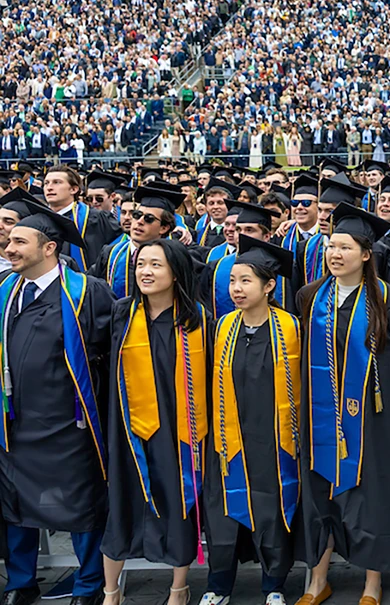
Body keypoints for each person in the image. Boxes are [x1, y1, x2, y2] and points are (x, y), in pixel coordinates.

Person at [295, 203, 390, 605]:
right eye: (331, 246)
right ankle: (316, 580)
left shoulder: (388, 300)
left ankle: (372, 584)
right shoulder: (310, 298)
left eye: (344, 247)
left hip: (375, 419)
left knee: (373, 496)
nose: (335, 254)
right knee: (321, 492)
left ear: (365, 254)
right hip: (322, 413)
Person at [0, 202, 115, 605]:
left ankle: (88, 585)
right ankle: (20, 582)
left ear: (48, 248)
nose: (9, 247)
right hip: (15, 424)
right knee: (15, 508)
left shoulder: (88, 292)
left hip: (69, 424)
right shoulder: (4, 291)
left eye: (19, 241)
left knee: (80, 504)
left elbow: (106, 354)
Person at [102, 239, 212, 605]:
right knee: (122, 500)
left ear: (176, 271)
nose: (145, 272)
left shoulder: (197, 319)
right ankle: (110, 591)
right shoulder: (121, 313)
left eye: (156, 265)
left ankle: (179, 587)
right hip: (128, 426)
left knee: (179, 499)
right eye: (140, 265)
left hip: (178, 428)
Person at [202, 236, 302, 605]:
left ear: (269, 285)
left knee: (272, 510)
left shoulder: (291, 328)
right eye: (233, 281)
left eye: (246, 281)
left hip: (272, 440)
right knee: (222, 512)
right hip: (228, 438)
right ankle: (218, 586)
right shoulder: (223, 327)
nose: (237, 289)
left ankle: (273, 585)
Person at [90, 186, 183, 299]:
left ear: (163, 228)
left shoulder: (176, 257)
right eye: (137, 215)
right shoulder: (110, 253)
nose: (139, 222)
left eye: (149, 219)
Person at [42, 165, 122, 272]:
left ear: (74, 189)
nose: (49, 187)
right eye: (46, 183)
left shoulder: (97, 218)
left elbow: (119, 250)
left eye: (57, 182)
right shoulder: (37, 221)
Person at [297, 175, 367, 286]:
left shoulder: (366, 248)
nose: (321, 217)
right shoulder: (305, 248)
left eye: (329, 211)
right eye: (319, 210)